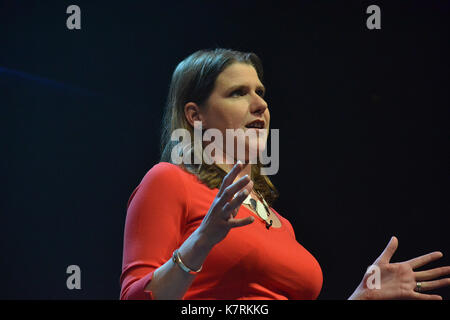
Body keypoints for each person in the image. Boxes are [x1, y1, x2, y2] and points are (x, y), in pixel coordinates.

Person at [120, 48, 450, 300]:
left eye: (260, 92)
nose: (259, 104)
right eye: (238, 92)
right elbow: (135, 295)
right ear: (195, 116)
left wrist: (361, 296)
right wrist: (202, 241)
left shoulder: (281, 224)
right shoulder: (168, 181)